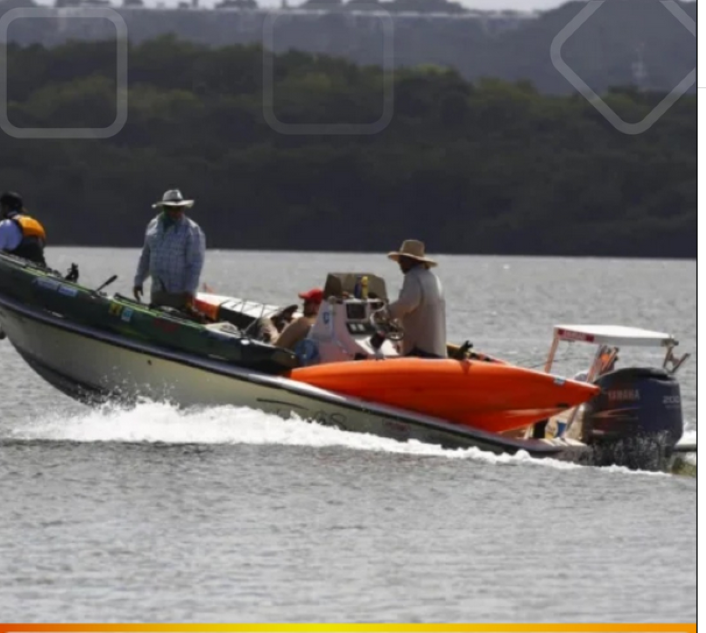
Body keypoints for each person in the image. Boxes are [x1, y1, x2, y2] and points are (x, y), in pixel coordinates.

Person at [133, 189, 206, 310]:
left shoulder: (192, 230)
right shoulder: (153, 226)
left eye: (179, 208)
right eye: (171, 208)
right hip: (158, 291)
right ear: (164, 208)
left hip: (180, 294)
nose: (176, 212)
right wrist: (138, 281)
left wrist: (189, 291)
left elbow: (194, 265)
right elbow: (146, 256)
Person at [383, 239, 447, 359]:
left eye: (402, 260)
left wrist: (385, 314)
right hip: (437, 351)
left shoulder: (413, 276)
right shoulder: (433, 278)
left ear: (411, 261)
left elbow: (407, 303)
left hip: (420, 352)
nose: (400, 263)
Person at [0, 191, 47, 266]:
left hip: (17, 268)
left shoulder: (5, 225)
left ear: (6, 207)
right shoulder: (34, 223)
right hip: (39, 266)